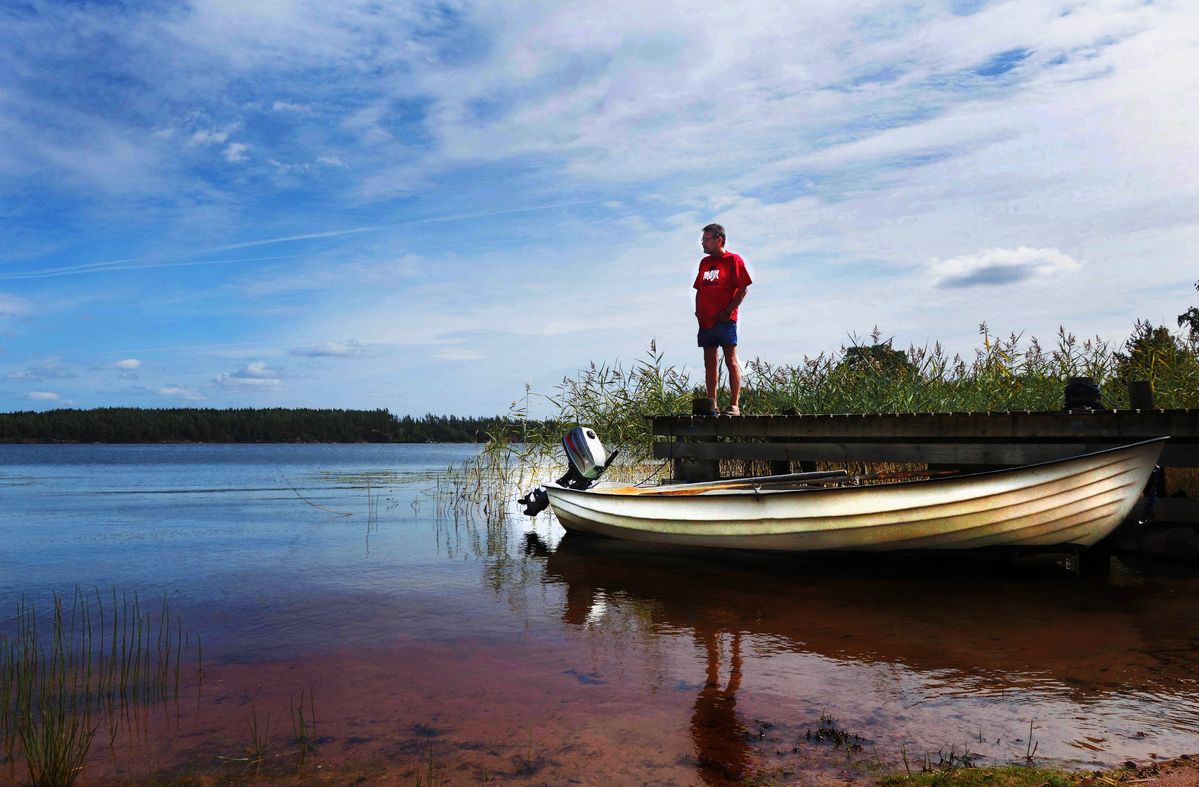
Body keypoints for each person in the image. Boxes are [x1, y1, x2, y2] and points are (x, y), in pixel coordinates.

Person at [693, 223, 751, 415]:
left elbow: (743, 287)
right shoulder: (704, 263)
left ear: (719, 239)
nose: (703, 243)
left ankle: (734, 405)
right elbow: (699, 289)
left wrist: (729, 310)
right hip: (705, 321)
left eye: (706, 239)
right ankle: (712, 405)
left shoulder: (733, 260)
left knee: (730, 360)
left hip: (725, 320)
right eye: (703, 240)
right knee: (709, 362)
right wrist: (697, 311)